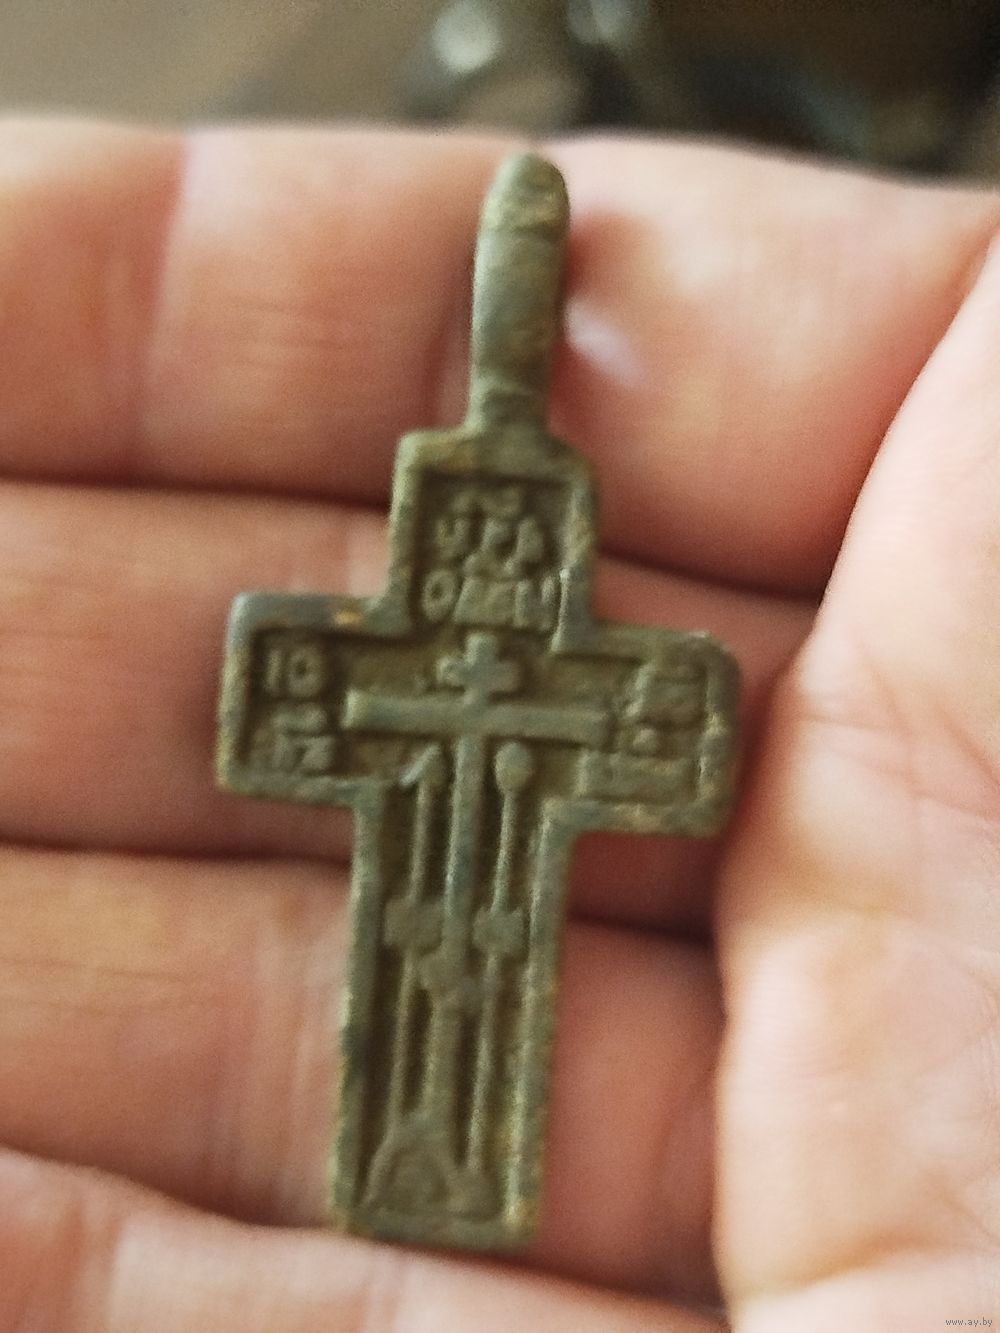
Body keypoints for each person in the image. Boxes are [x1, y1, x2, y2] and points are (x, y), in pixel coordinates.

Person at [0, 119, 996, 1331]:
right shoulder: (384, 675)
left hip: (499, 846)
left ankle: (447, 1166)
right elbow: (298, 695)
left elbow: (672, 727)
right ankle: (429, 1162)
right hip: (439, 815)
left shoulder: (554, 679)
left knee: (463, 961)